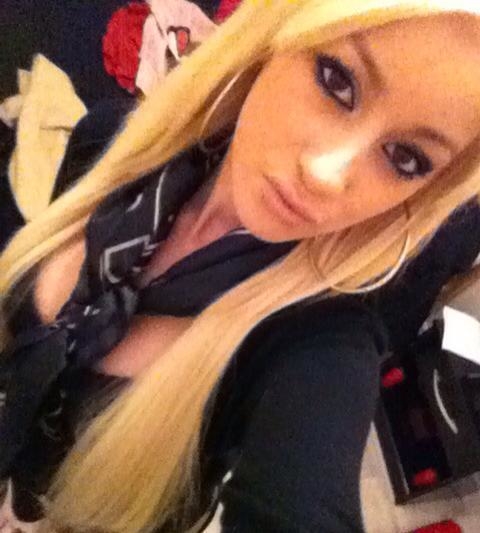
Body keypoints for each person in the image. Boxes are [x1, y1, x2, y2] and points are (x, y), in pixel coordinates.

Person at [2, 0, 480, 531]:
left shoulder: (317, 342)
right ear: (274, 33)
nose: (326, 173)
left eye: (406, 158)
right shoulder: (106, 140)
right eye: (337, 80)